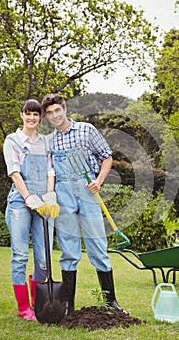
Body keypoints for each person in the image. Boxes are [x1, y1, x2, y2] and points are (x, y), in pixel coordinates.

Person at [41, 93, 128, 316]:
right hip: (64, 194)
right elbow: (51, 171)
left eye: (57, 110)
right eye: (49, 113)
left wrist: (98, 181)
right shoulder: (50, 140)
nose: (54, 116)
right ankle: (68, 305)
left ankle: (111, 303)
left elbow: (106, 157)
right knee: (68, 249)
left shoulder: (86, 130)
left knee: (98, 247)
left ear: (64, 108)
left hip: (88, 192)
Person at [3, 99, 60, 321]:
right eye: (28, 114)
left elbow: (49, 172)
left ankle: (38, 300)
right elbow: (15, 172)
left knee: (44, 258)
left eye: (36, 115)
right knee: (19, 255)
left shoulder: (46, 142)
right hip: (20, 201)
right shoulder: (13, 141)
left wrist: (49, 196)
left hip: (43, 203)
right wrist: (29, 197)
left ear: (40, 117)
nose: (32, 118)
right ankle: (23, 307)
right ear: (22, 115)